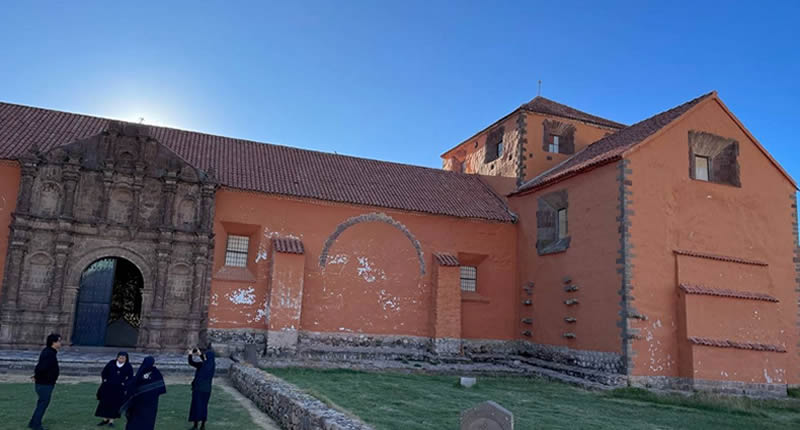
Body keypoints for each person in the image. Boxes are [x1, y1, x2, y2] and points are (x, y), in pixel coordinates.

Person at [121, 356, 166, 430]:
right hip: (142, 403)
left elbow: (159, 386)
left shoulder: (152, 372)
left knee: (145, 420)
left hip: (148, 403)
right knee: (140, 420)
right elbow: (134, 385)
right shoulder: (152, 372)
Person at [28, 333, 61, 430]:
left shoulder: (50, 352)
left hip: (45, 382)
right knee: (43, 403)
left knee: (41, 403)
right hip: (45, 383)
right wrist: (37, 377)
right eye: (59, 341)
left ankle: (33, 422)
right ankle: (36, 425)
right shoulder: (49, 353)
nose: (60, 343)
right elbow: (40, 367)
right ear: (53, 342)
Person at [95, 351, 133, 427]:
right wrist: (105, 380)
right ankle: (105, 419)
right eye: (120, 357)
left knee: (115, 404)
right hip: (108, 387)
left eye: (123, 358)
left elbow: (130, 377)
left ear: (126, 359)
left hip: (118, 389)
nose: (121, 359)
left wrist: (124, 383)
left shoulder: (128, 366)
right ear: (117, 357)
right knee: (105, 403)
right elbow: (104, 372)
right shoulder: (111, 363)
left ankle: (111, 421)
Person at [187, 346, 216, 430]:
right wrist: (200, 354)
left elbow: (191, 362)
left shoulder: (202, 365)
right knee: (204, 406)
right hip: (207, 390)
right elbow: (206, 361)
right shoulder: (212, 365)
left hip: (198, 389)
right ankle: (202, 426)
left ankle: (195, 425)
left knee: (196, 406)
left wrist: (190, 354)